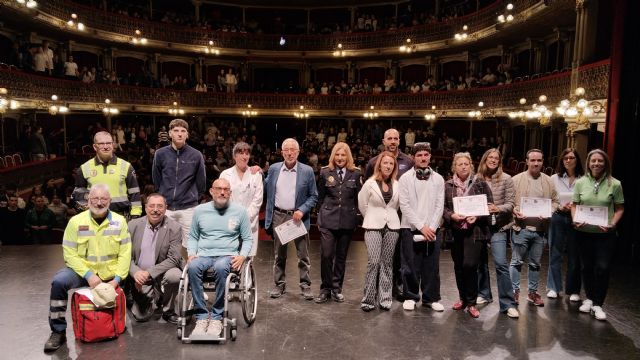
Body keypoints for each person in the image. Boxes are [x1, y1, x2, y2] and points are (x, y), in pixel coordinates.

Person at [44, 184, 131, 352]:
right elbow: (69, 253)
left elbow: (125, 253)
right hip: (82, 273)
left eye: (103, 199)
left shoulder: (119, 222)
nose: (99, 203)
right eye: (95, 198)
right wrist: (88, 274)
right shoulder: (76, 222)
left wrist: (117, 279)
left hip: (110, 274)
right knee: (59, 282)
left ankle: (117, 322)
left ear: (110, 201)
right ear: (88, 200)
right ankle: (58, 332)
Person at [187, 179, 253, 337]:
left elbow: (248, 238)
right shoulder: (200, 210)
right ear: (211, 191)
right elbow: (193, 237)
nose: (222, 192)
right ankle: (202, 316)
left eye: (226, 189)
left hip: (227, 255)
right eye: (219, 189)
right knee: (192, 267)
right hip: (204, 254)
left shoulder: (240, 211)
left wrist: (242, 256)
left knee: (220, 267)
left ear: (230, 192)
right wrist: (191, 253)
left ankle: (216, 316)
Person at [572, 149, 624, 321]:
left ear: (605, 163)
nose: (596, 164)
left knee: (602, 268)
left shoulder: (615, 184)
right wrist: (575, 219)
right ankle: (589, 298)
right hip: (584, 233)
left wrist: (612, 224)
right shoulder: (580, 182)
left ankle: (598, 304)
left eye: (600, 161)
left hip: (605, 235)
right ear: (588, 163)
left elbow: (619, 208)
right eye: (593, 160)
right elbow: (575, 205)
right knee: (586, 267)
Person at [364, 128, 414, 300]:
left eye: (395, 138)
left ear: (400, 141)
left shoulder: (409, 161)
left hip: (400, 216)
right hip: (377, 216)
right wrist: (370, 215)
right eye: (389, 139)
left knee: (396, 257)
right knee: (376, 259)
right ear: (384, 141)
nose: (392, 141)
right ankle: (374, 291)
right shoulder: (372, 162)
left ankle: (396, 288)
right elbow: (365, 194)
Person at [264, 138, 318, 300]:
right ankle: (279, 285)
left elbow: (314, 196)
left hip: (297, 218)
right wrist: (256, 171)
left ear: (298, 151)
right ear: (281, 153)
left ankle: (305, 285)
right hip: (279, 216)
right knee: (279, 255)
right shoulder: (273, 169)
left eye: (292, 149)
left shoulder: (307, 171)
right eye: (286, 150)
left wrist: (302, 210)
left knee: (303, 255)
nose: (289, 153)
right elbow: (265, 186)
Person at [443, 152, 493, 318]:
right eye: (460, 164)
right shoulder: (448, 185)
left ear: (471, 165)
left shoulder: (480, 183)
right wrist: (452, 216)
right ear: (454, 167)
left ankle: (472, 302)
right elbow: (443, 208)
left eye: (466, 164)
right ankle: (462, 299)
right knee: (458, 266)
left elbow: (489, 205)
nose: (463, 167)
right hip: (455, 231)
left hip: (475, 231)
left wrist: (477, 215)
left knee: (470, 266)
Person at [398, 143, 445, 312]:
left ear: (430, 157)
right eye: (419, 155)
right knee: (410, 264)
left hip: (433, 229)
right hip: (410, 227)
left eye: (426, 155)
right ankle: (410, 296)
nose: (423, 158)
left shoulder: (438, 179)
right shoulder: (405, 178)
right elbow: (404, 205)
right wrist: (420, 226)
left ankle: (431, 298)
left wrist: (431, 227)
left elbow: (440, 205)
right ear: (413, 158)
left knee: (431, 265)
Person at [510, 149, 559, 307]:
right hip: (521, 228)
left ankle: (532, 293)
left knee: (535, 264)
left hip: (540, 230)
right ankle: (514, 292)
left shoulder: (549, 181)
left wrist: (549, 212)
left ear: (543, 162)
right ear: (527, 161)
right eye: (533, 160)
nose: (536, 163)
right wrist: (514, 210)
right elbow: (509, 202)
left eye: (539, 160)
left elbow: (556, 201)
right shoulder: (516, 179)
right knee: (516, 262)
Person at [314, 142, 362, 303]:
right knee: (327, 255)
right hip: (328, 219)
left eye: (343, 155)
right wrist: (320, 217)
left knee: (341, 257)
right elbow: (320, 197)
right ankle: (325, 288)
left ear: (348, 156)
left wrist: (356, 218)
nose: (340, 158)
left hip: (347, 221)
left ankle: (336, 288)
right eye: (337, 154)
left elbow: (357, 198)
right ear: (333, 156)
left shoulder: (355, 174)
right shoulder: (325, 172)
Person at [476, 148, 519, 318]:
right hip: (480, 226)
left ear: (500, 161)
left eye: (496, 158)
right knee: (480, 263)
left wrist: (497, 208)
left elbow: (511, 203)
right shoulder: (477, 178)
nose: (493, 160)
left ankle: (508, 303)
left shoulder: (507, 179)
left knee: (501, 264)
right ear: (485, 159)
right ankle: (484, 293)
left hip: (499, 227)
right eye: (490, 157)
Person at [127, 193, 183, 324]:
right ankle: (151, 298)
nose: (155, 210)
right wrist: (135, 272)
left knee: (174, 275)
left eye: (160, 206)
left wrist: (149, 273)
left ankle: (168, 310)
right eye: (152, 206)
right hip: (139, 276)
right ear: (145, 208)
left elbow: (174, 258)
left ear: (165, 208)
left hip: (161, 273)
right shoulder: (132, 225)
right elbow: (124, 256)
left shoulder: (174, 227)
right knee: (140, 316)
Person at [152, 119, 207, 254]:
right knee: (163, 244)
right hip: (167, 207)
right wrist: (163, 196)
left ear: (187, 135)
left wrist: (193, 197)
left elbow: (201, 181)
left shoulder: (196, 155)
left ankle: (189, 273)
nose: (179, 134)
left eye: (183, 131)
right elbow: (156, 178)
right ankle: (167, 273)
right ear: (170, 133)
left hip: (188, 207)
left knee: (191, 245)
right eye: (176, 131)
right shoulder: (160, 154)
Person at [358, 151, 400, 311]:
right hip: (372, 226)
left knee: (387, 263)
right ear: (379, 165)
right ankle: (368, 300)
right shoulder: (369, 183)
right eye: (385, 163)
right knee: (373, 262)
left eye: (391, 164)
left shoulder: (397, 184)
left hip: (393, 227)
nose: (388, 166)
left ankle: (385, 299)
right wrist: (372, 217)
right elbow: (362, 205)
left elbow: (396, 206)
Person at [72, 131, 142, 218]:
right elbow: (77, 193)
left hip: (121, 217)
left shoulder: (126, 166)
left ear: (113, 145)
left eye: (108, 143)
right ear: (95, 146)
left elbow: (135, 193)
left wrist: (135, 216)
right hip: (94, 217)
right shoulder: (84, 168)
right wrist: (88, 197)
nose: (105, 147)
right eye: (101, 144)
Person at [547, 148, 584, 301]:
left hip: (576, 219)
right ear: (562, 161)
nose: (568, 160)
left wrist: (575, 207)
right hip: (558, 217)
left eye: (572, 157)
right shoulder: (553, 178)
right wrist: (558, 207)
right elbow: (548, 199)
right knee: (555, 253)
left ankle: (574, 290)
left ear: (577, 160)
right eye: (565, 158)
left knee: (575, 255)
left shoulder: (584, 179)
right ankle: (554, 287)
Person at [219, 142, 264, 257]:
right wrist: (234, 217)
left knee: (248, 257)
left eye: (247, 153)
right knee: (230, 258)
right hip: (230, 221)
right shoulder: (225, 174)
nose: (244, 156)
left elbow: (257, 201)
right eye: (241, 153)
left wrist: (244, 217)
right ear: (234, 156)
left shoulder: (256, 175)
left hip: (250, 222)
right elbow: (222, 198)